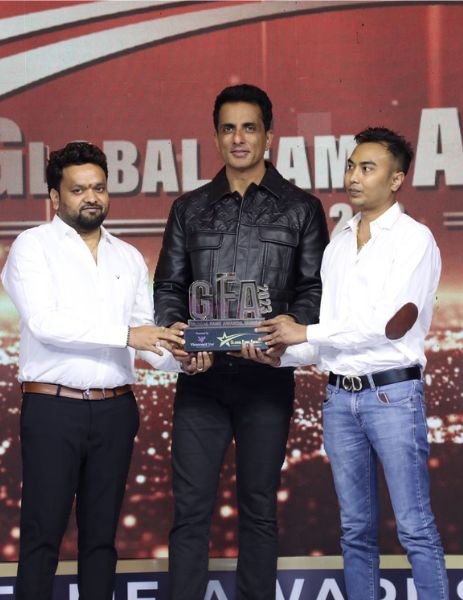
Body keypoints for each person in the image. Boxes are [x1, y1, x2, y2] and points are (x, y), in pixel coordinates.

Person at [241, 127, 449, 599]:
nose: (353, 177)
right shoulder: (338, 242)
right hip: (340, 398)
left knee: (415, 527)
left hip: (392, 395)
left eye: (367, 168)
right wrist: (277, 354)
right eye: (351, 166)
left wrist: (304, 332)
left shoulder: (414, 239)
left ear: (396, 180)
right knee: (355, 530)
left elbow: (386, 324)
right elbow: (325, 337)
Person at [153, 84, 329, 599]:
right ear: (215, 136)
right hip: (201, 380)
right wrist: (181, 339)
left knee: (259, 508)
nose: (238, 138)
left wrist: (284, 336)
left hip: (267, 380)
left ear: (269, 135)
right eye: (228, 128)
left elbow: (314, 289)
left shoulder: (301, 208)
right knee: (190, 511)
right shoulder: (189, 208)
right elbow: (169, 287)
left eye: (249, 127)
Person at [1, 142, 185, 600]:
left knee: (102, 541)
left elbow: (147, 336)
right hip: (53, 408)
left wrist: (183, 356)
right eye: (78, 189)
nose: (91, 198)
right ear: (55, 196)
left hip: (115, 411)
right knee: (42, 536)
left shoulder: (127, 256)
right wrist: (128, 336)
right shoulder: (33, 246)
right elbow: (45, 324)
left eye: (99, 188)